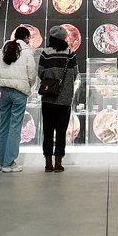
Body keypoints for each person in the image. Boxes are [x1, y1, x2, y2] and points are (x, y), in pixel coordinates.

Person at [0, 27, 37, 173]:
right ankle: (9, 163)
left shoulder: (5, 48)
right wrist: (29, 85)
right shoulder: (27, 51)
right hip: (19, 92)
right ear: (27, 38)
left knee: (2, 126)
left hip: (4, 91)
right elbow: (32, 72)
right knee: (15, 127)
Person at [38, 25, 78, 173]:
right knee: (61, 131)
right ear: (64, 38)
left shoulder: (45, 53)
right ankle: (58, 163)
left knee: (47, 131)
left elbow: (40, 72)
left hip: (48, 97)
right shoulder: (70, 54)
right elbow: (75, 74)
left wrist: (50, 80)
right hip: (65, 99)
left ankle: (48, 164)